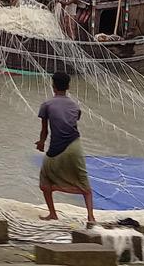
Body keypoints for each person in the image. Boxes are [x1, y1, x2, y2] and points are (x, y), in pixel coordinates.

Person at [37, 72, 95, 223]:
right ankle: (91, 217)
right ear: (68, 86)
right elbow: (73, 121)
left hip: (56, 149)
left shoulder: (46, 105)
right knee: (84, 183)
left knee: (45, 182)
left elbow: (45, 130)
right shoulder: (75, 106)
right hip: (75, 146)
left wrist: (41, 143)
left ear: (53, 86)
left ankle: (52, 214)